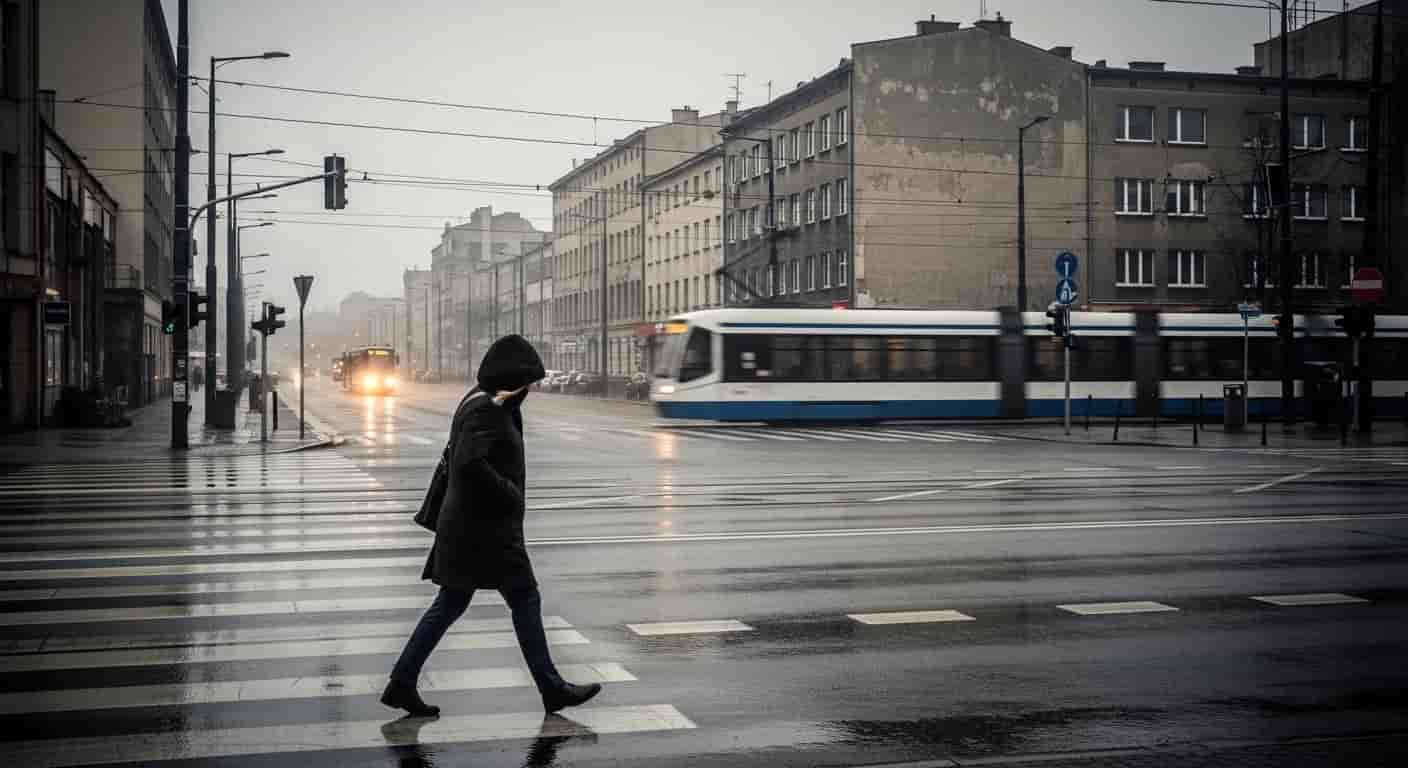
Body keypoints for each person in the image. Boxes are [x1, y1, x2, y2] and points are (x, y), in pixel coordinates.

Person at [382, 334, 602, 717]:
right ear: (514, 380)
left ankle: (402, 682)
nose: (530, 391)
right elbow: (469, 462)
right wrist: (510, 493)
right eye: (528, 384)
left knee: (452, 603)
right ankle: (551, 689)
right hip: (483, 530)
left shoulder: (481, 399)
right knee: (524, 599)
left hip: (472, 527)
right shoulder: (487, 409)